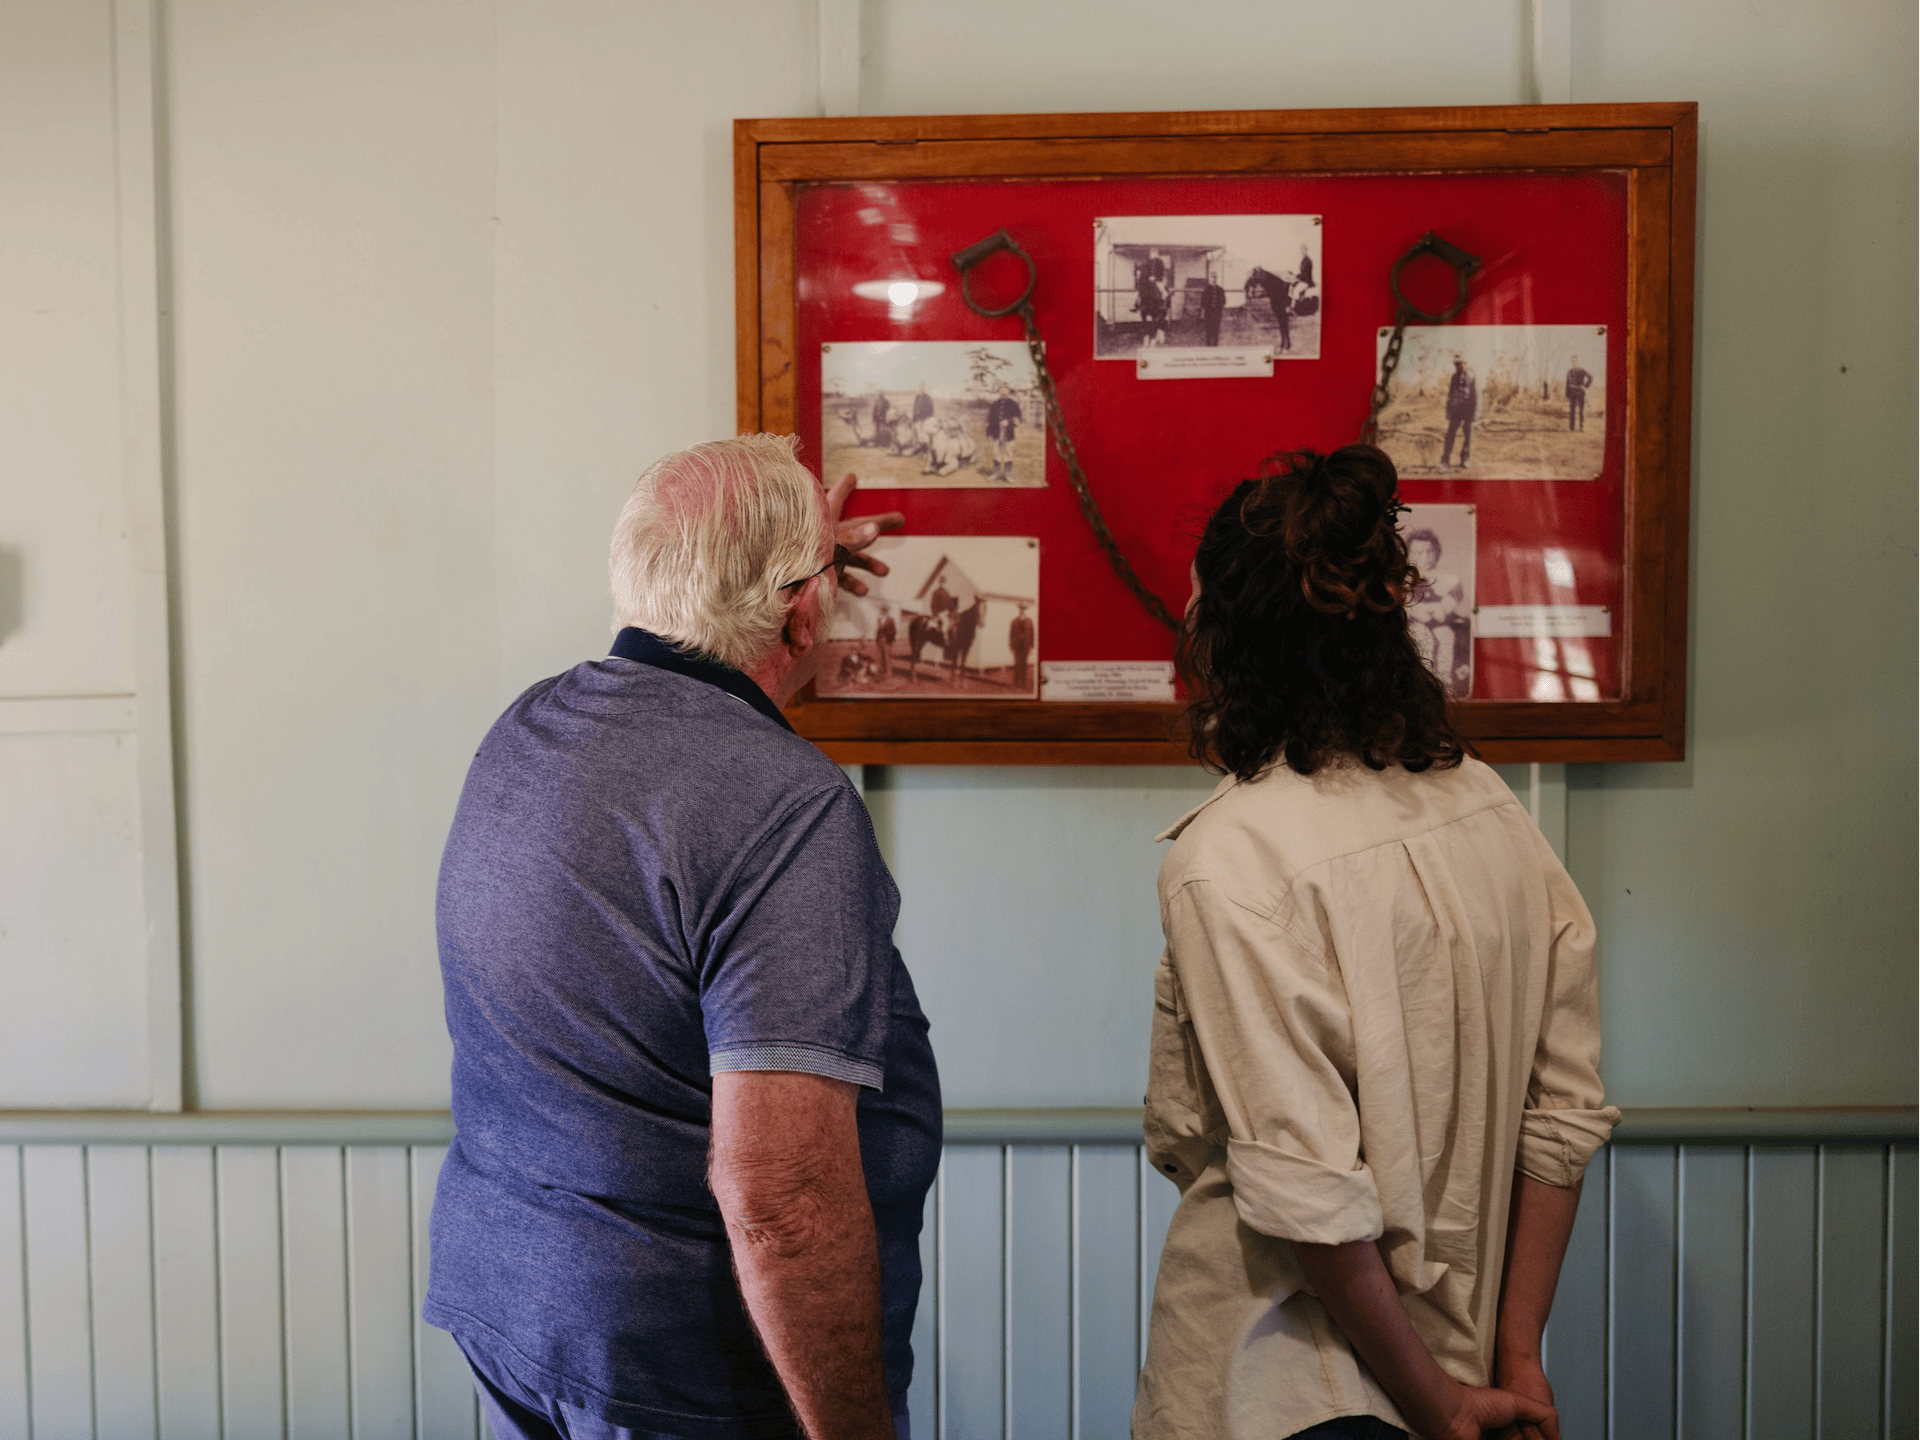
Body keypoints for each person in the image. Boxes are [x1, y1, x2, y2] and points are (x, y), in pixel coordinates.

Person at [426, 436, 938, 1440]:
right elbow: (780, 1196)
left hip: (515, 1310)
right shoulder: (783, 803)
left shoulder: (528, 729)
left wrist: (789, 562)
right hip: (680, 1371)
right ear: (804, 612)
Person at [1134, 444, 1617, 1440]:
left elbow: (1307, 1192)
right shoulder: (1491, 806)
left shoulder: (1233, 855)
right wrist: (1514, 1360)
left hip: (1277, 1383)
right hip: (1466, 1366)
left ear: (1228, 637)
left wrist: (1437, 1405)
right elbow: (1563, 1115)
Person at [1405, 528, 1471, 699]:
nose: (1425, 558)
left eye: (1430, 552)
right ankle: (1422, 680)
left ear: (1437, 552)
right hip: (1416, 621)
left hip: (1439, 619)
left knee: (1447, 636)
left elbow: (1455, 595)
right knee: (1422, 637)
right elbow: (1404, 601)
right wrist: (1414, 610)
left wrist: (1443, 609)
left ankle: (1444, 678)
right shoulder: (1405, 578)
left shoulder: (1446, 578)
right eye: (1418, 553)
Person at [1440, 356, 1477, 469]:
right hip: (1456, 412)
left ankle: (1465, 460)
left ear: (1465, 364)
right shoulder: (1454, 377)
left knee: (1468, 437)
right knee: (1450, 435)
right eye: (1456, 364)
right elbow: (1451, 395)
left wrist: (1475, 413)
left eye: (1460, 364)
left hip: (1468, 412)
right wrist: (1449, 410)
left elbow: (1476, 395)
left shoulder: (1472, 376)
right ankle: (1445, 460)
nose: (1458, 366)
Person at [985, 383, 1021, 481]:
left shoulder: (1013, 404)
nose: (1003, 392)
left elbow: (1018, 419)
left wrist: (1009, 421)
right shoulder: (994, 404)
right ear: (999, 391)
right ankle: (996, 474)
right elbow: (989, 420)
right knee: (995, 452)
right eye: (1001, 390)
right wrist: (988, 433)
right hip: (996, 432)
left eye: (1005, 390)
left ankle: (1007, 475)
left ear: (1008, 391)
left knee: (1009, 452)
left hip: (1009, 433)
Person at [1008, 601, 1035, 691]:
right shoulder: (1014, 621)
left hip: (1025, 646)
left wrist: (1031, 647)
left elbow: (1032, 634)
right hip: (1017, 646)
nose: (1022, 610)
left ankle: (1023, 684)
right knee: (1017, 665)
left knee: (1024, 665)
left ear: (1025, 610)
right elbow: (1011, 634)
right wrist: (1011, 646)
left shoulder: (1029, 621)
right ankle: (1016, 684)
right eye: (1021, 608)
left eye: (1024, 609)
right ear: (1019, 609)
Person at [1564, 357, 1593, 432]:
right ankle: (1571, 428)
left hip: (1581, 392)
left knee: (1582, 410)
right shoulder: (1569, 371)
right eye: (1572, 361)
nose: (1573, 362)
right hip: (1572, 392)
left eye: (1575, 361)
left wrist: (1585, 386)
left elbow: (1590, 377)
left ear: (1577, 362)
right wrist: (1567, 394)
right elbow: (1567, 383)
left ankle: (1582, 427)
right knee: (1572, 411)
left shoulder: (1582, 370)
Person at [1200, 277, 1227, 347]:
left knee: (1216, 328)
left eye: (1215, 278)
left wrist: (1221, 310)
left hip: (1217, 312)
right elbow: (1202, 302)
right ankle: (1208, 345)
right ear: (1210, 280)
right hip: (1208, 312)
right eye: (1212, 278)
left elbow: (1224, 301)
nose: (1214, 280)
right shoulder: (1206, 290)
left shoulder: (1220, 290)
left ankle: (1215, 345)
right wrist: (1202, 313)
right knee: (1208, 328)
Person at [875, 602, 897, 679]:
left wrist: (890, 640)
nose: (883, 611)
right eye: (882, 610)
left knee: (887, 656)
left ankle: (889, 671)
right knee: (880, 655)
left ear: (887, 611)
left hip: (887, 639)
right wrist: (877, 639)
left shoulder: (890, 620)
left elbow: (894, 631)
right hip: (879, 639)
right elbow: (878, 630)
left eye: (885, 610)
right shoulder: (879, 619)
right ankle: (881, 670)